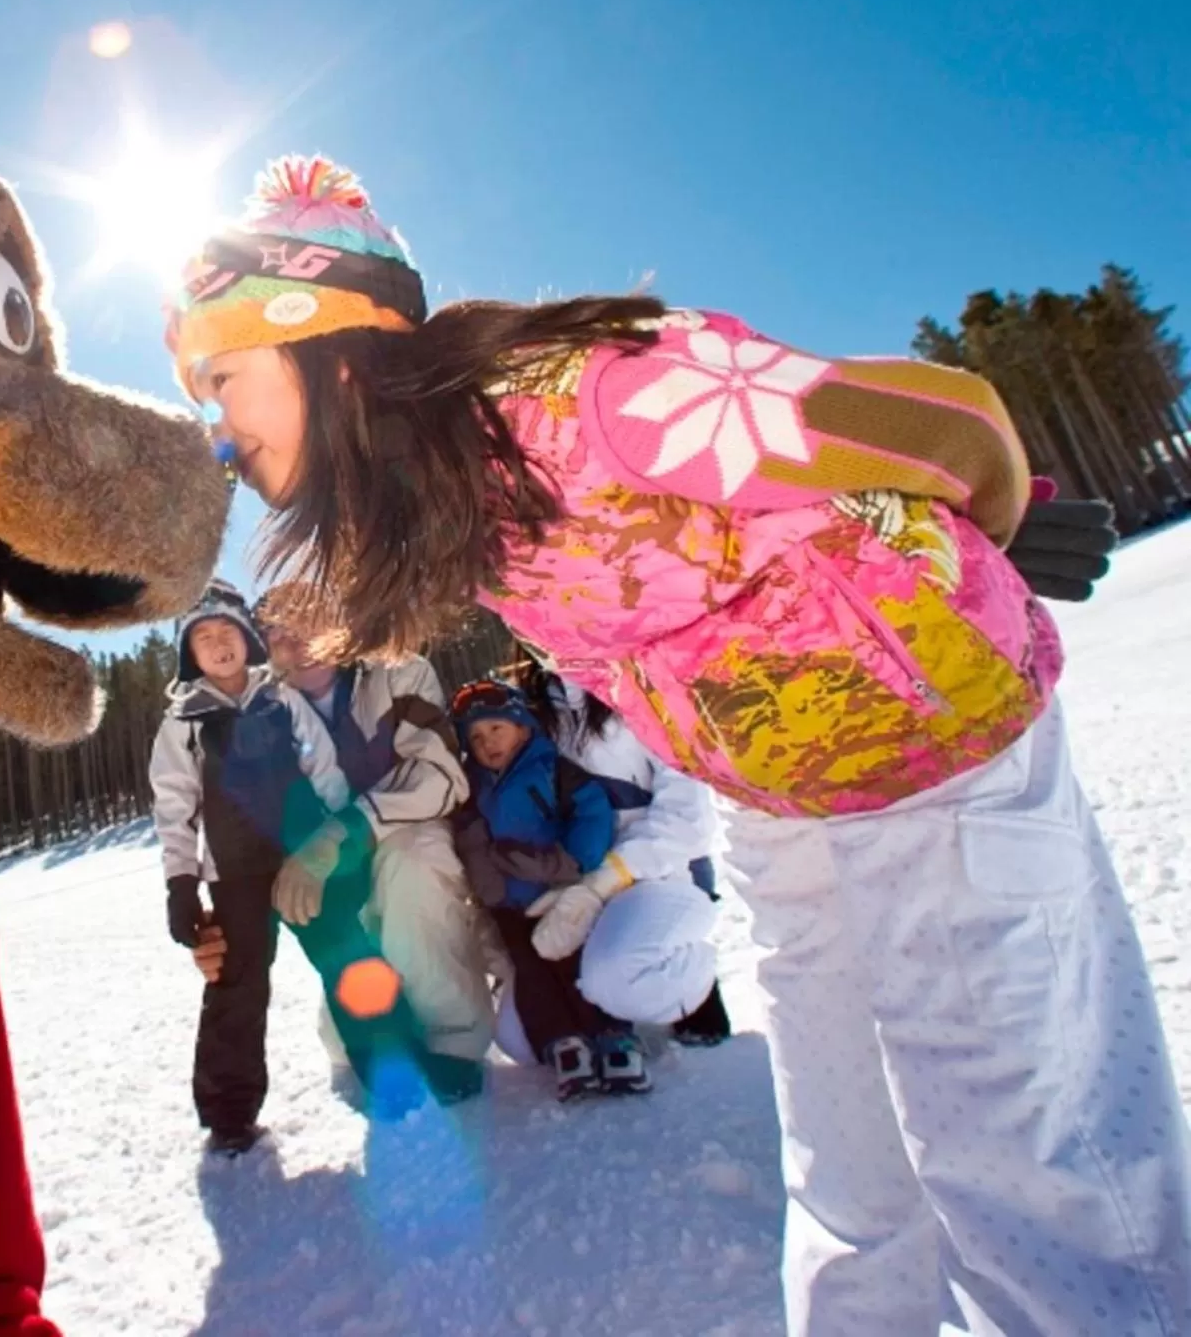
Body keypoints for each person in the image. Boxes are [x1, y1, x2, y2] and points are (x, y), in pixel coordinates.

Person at [165, 155, 1184, 1333]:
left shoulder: (586, 393)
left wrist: (998, 520)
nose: (216, 428)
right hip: (784, 809)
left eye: (221, 378)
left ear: (321, 335)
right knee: (849, 1180)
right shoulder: (460, 494)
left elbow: (943, 422)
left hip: (933, 761)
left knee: (1033, 1179)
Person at [149, 581, 427, 1152]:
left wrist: (338, 843)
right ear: (191, 654)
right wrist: (181, 886)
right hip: (234, 877)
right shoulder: (184, 722)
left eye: (228, 632)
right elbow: (174, 809)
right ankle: (229, 1115)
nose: (219, 644)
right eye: (204, 638)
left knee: (347, 956)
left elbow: (323, 767)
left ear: (248, 640)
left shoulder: (280, 697)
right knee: (237, 987)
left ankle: (396, 1073)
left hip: (302, 858)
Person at [250, 581, 496, 1103]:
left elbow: (440, 775)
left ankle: (452, 1040)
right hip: (326, 854)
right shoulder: (264, 709)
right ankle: (381, 1030)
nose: (291, 640)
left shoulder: (396, 670)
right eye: (276, 632)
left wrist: (349, 827)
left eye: (304, 622)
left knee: (408, 864)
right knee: (342, 1041)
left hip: (409, 829)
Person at [446, 679, 643, 1099]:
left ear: (522, 726)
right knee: (531, 972)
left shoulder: (553, 769)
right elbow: (468, 836)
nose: (488, 744)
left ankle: (612, 1034)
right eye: (477, 737)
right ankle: (562, 1042)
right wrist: (488, 882)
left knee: (575, 961)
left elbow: (592, 813)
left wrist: (566, 864)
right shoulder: (472, 786)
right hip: (509, 905)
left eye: (496, 729)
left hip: (560, 893)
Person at [516, 669, 734, 1049]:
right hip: (578, 875)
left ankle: (688, 974)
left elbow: (689, 818)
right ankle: (618, 982)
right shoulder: (530, 702)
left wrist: (608, 877)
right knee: (518, 1038)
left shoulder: (639, 683)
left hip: (658, 871)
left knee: (616, 979)